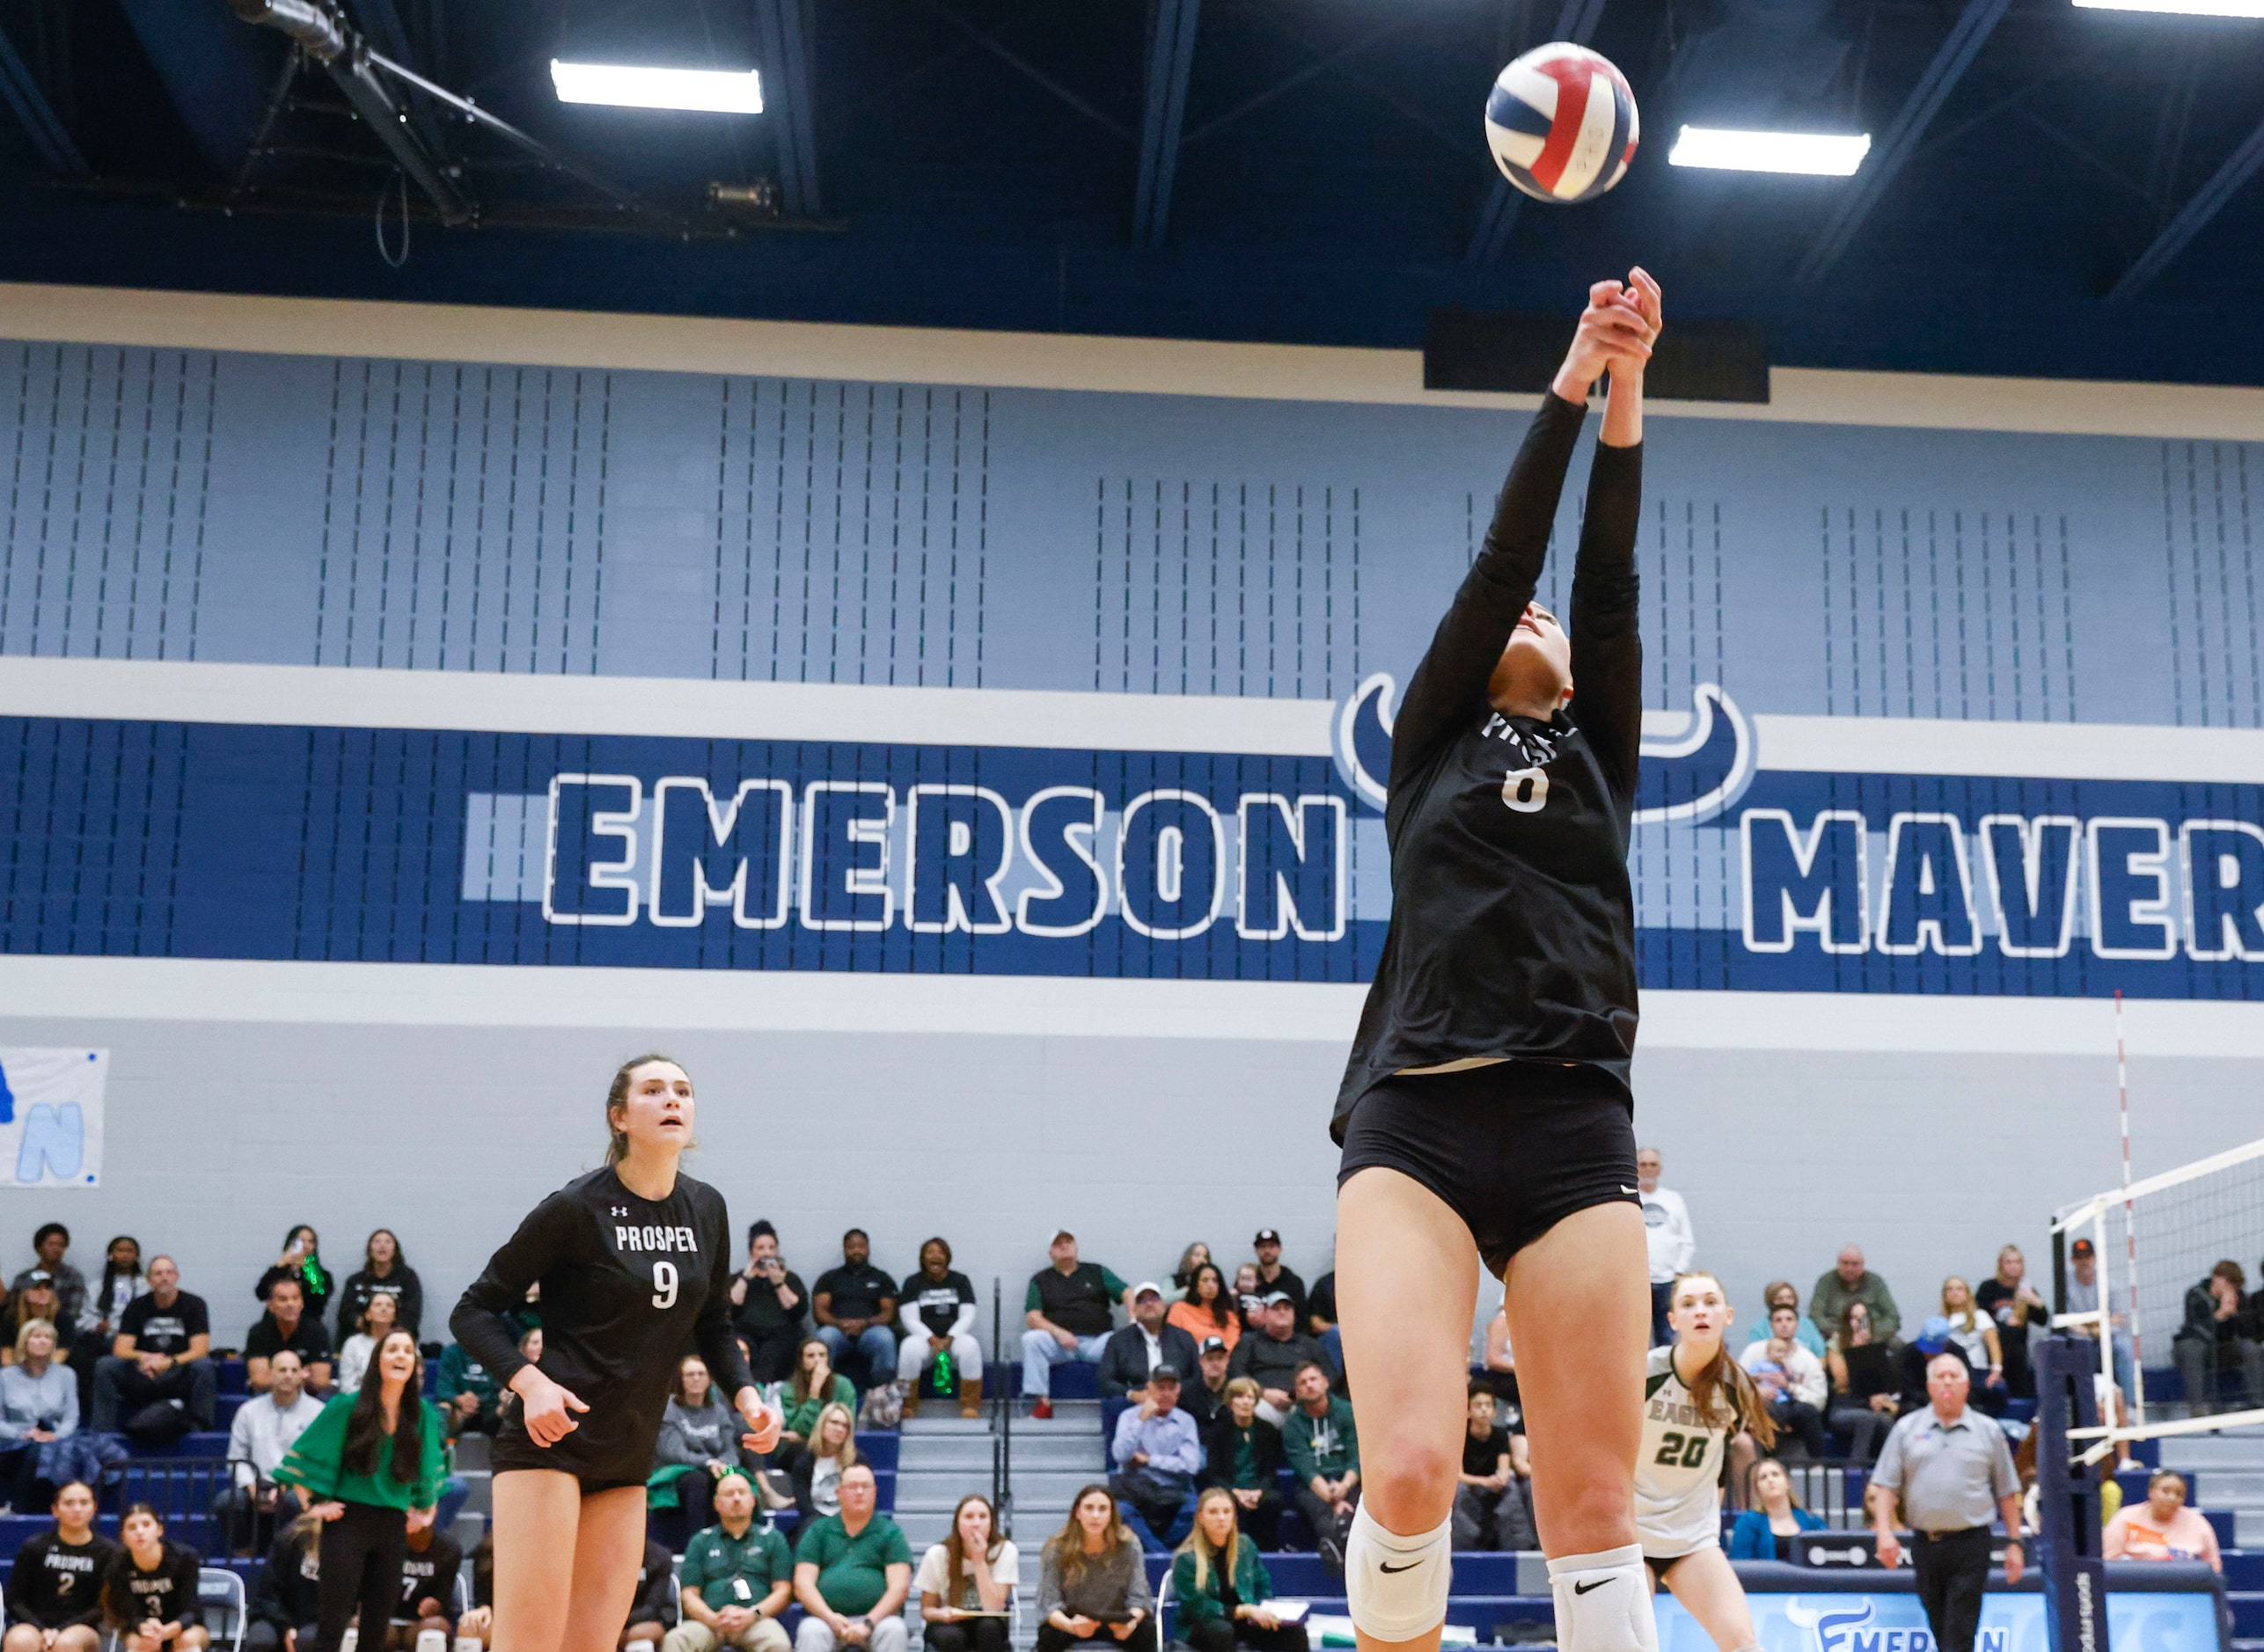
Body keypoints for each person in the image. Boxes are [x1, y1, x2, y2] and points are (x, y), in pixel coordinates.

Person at [1329, 272, 1662, 1652]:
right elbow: (1510, 561)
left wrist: (1634, 389)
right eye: (1513, 622)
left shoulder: (1603, 749)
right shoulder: (1428, 746)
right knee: (1407, 1471)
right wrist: (1573, 375)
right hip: (1421, 1114)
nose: (1535, 621)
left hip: (1577, 1118)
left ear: (1578, 675)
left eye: (1552, 630)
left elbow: (1604, 571)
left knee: (1592, 1502)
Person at [449, 1054, 780, 1652]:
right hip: (550, 1446)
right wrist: (531, 1383)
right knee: (529, 1644)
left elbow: (713, 1321)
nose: (672, 1099)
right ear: (619, 1117)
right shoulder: (575, 1208)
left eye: (682, 1090)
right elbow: (472, 1310)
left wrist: (749, 1398)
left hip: (627, 1456)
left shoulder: (706, 1208)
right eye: (653, 1090)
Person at [271, 1327, 447, 1652]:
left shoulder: (422, 1415)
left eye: (408, 1351)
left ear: (414, 1365)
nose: (400, 1356)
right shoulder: (347, 1405)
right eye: (392, 1349)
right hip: (348, 1523)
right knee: (333, 1623)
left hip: (393, 1527)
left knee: (376, 1629)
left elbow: (430, 1470)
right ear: (377, 1360)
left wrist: (426, 1509)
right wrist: (312, 1505)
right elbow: (305, 1454)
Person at [1632, 1274, 1775, 1652]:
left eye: (1710, 1302)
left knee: (1744, 1644)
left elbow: (1721, 1464)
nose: (1701, 1311)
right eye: (1689, 1304)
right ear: (1672, 1320)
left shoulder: (1736, 1387)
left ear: (1727, 1315)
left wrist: (1706, 1521)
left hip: (1691, 1540)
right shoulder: (1647, 1372)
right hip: (1630, 1536)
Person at [1869, 1353, 2025, 1652]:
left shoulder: (1988, 1431)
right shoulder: (1906, 1428)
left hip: (1971, 1543)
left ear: (1967, 1385)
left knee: (1958, 1632)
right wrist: (1885, 1534)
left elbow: (2007, 1490)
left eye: (1954, 1376)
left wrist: (2015, 1541)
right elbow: (1886, 1486)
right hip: (1925, 1544)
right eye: (1940, 1376)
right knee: (1941, 1628)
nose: (1948, 1382)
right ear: (1929, 1386)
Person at [665, 1468, 794, 1652]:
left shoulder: (773, 1539)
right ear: (717, 1503)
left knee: (778, 1644)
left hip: (756, 1620)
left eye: (742, 1493)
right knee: (675, 1640)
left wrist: (753, 1614)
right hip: (710, 1622)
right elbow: (689, 1594)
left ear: (753, 1500)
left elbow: (783, 1590)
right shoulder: (701, 1540)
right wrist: (713, 1619)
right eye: (729, 1494)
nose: (736, 1498)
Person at [791, 1461, 912, 1652]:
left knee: (895, 1629)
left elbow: (899, 1588)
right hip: (825, 1620)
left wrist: (868, 1623)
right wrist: (830, 1618)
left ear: (875, 1492)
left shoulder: (891, 1533)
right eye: (852, 1486)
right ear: (838, 1493)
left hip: (878, 1621)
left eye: (865, 1486)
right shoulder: (817, 1531)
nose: (859, 1492)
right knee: (810, 1632)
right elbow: (802, 1584)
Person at [1171, 1488, 1310, 1652]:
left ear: (1234, 1516)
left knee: (1295, 1632)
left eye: (1226, 1511)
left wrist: (1264, 1610)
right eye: (1213, 1512)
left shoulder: (1245, 1546)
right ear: (1201, 1517)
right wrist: (1242, 1611)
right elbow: (1198, 1607)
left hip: (1245, 1619)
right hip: (1203, 1624)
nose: (1221, 1518)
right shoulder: (1186, 1558)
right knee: (1223, 1631)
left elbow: (1262, 1584)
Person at [95, 1255, 216, 1442]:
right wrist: (146, 1358)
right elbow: (121, 1349)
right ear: (149, 1280)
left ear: (177, 1276)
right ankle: (103, 1433)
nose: (164, 1277)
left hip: (178, 1371)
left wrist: (169, 1362)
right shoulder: (136, 1306)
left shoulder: (194, 1304)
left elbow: (200, 1349)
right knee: (106, 1365)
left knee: (204, 1366)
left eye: (169, 1272)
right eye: (158, 1273)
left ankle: (199, 1431)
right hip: (144, 1372)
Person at [219, 1348, 322, 1553]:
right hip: (258, 1481)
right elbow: (236, 1458)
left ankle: (289, 1557)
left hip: (297, 1485)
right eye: (282, 1369)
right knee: (226, 1501)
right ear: (270, 1374)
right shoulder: (249, 1411)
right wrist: (251, 1488)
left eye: (294, 1370)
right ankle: (243, 1556)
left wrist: (289, 1485)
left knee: (294, 1501)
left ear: (303, 1374)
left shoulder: (318, 1411)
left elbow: (317, 1461)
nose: (288, 1375)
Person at [1022, 1232, 1132, 1420]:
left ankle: (1122, 1401)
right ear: (1051, 1253)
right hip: (1059, 1345)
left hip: (1097, 1341)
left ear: (1076, 1247)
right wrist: (1059, 1333)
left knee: (1124, 1340)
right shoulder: (1040, 1279)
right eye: (1058, 1244)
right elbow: (1033, 1317)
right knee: (1031, 1339)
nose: (1064, 1246)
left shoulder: (1097, 1272)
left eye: (1068, 1242)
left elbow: (1127, 1292)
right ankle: (1042, 1404)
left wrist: (1134, 1317)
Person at [1035, 1486, 1154, 1652]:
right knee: (1048, 1634)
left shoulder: (1129, 1546)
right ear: (1077, 1513)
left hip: (1116, 1623)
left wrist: (1131, 1623)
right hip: (1073, 1621)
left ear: (1111, 1514)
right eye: (1089, 1508)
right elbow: (1049, 1604)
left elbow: (1139, 1598)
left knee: (1147, 1629)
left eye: (1103, 1509)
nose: (1095, 1516)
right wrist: (1071, 1626)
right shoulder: (1057, 1548)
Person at [657, 1354, 760, 1540]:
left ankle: (753, 1537)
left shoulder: (719, 1410)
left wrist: (723, 1464)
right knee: (697, 1481)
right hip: (678, 1471)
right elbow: (674, 1452)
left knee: (738, 1480)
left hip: (716, 1467)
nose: (696, 1378)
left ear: (709, 1379)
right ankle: (698, 1541)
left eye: (701, 1374)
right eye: (690, 1375)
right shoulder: (669, 1409)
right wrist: (709, 1462)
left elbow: (730, 1449)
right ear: (680, 1379)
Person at [3, 1479, 113, 1652]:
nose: (77, 1509)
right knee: (19, 1640)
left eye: (84, 1503)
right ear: (55, 1510)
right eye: (69, 1503)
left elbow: (102, 1607)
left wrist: (60, 1630)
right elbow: (15, 1599)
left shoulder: (107, 1551)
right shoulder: (35, 1546)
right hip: (35, 1624)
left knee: (66, 1644)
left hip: (83, 1628)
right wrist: (42, 1629)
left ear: (94, 1508)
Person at [1109, 1363, 1201, 1550]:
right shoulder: (1129, 1417)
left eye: (1171, 1388)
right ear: (1148, 1388)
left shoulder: (1186, 1421)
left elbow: (1191, 1465)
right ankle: (1164, 1557)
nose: (1166, 1393)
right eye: (1160, 1388)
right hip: (1137, 1492)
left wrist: (1150, 1460)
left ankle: (1157, 1553)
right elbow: (1120, 1455)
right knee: (1120, 1512)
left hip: (1174, 1491)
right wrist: (1142, 1419)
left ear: (1178, 1391)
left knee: (1198, 1511)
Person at [915, 1494, 1018, 1652]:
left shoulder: (1006, 1550)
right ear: (958, 1523)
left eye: (983, 1517)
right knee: (951, 1637)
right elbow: (926, 1610)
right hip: (948, 1623)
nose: (976, 1523)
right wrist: (941, 1614)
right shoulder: (937, 1554)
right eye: (969, 1517)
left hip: (989, 1622)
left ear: (992, 1522)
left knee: (989, 1628)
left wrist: (979, 1561)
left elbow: (992, 1607)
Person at [99, 1503, 207, 1652]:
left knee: (187, 1640)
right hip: (144, 1629)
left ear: (159, 1530)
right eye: (132, 1527)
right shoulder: (117, 1566)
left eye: (146, 1524)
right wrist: (143, 1627)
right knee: (138, 1643)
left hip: (182, 1626)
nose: (139, 1532)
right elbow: (131, 1613)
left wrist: (167, 1631)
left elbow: (191, 1610)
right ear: (123, 1536)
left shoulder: (185, 1557)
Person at [1281, 1363, 1359, 1568]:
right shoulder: (1292, 1425)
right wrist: (1331, 1496)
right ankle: (1338, 1551)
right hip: (1314, 1486)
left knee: (1361, 1500)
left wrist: (1343, 1487)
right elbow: (1305, 1467)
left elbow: (1357, 1456)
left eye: (1313, 1379)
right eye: (1302, 1383)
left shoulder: (1347, 1412)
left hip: (1349, 1480)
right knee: (1320, 1508)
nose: (1309, 1385)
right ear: (1297, 1392)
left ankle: (1339, 1548)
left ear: (1325, 1382)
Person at [895, 1238, 982, 1419]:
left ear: (948, 1257)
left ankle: (970, 1405)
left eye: (940, 1252)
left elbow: (968, 1315)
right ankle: (908, 1405)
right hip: (925, 1341)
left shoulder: (960, 1281)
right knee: (908, 1348)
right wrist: (932, 1340)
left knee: (971, 1345)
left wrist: (949, 1339)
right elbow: (909, 1319)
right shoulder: (912, 1282)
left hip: (954, 1340)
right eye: (930, 1252)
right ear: (922, 1258)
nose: (935, 1256)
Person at [0, 1319, 77, 1514]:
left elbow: (71, 1417)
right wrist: (22, 1433)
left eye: (47, 1337)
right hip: (14, 1442)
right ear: (24, 1342)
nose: (42, 1341)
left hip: (55, 1439)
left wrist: (56, 1435)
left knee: (46, 1451)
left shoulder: (66, 1375)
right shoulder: (5, 1376)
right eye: (36, 1336)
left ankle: (39, 1509)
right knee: (34, 1450)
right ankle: (19, 1508)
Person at [1736, 1304, 1828, 1459]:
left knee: (1808, 1412)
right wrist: (1756, 1392)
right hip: (1763, 1405)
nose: (1784, 1324)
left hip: (1794, 1404)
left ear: (1797, 1325)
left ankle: (1816, 1464)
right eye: (1778, 1320)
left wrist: (1789, 1386)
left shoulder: (1808, 1359)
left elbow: (1820, 1400)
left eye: (1789, 1319)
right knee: (1772, 1411)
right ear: (1771, 1326)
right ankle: (1769, 1463)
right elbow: (1737, 1385)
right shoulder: (1754, 1351)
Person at [1202, 1378, 1285, 1550]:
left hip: (1257, 1489)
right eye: (1239, 1397)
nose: (1245, 1402)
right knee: (1225, 1502)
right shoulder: (1218, 1432)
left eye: (1249, 1397)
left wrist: (1258, 1491)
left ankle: (1267, 1551)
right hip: (1230, 1489)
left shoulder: (1267, 1431)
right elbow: (1214, 1473)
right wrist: (1236, 1492)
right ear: (1230, 1402)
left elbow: (1269, 1472)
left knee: (1273, 1501)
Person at [2172, 1261, 2262, 1414]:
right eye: (2227, 1282)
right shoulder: (2196, 1294)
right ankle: (2197, 1407)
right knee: (2192, 1348)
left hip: (2223, 1348)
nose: (2229, 1287)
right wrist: (2219, 1315)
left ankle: (2257, 1402)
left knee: (2250, 1348)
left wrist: (2235, 1315)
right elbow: (2196, 1329)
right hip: (2198, 1346)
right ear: (2216, 1278)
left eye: (2233, 1284)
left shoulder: (2238, 1296)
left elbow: (2248, 1333)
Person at [810, 1232, 897, 1394]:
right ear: (844, 1249)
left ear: (868, 1249)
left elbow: (889, 1314)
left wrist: (865, 1323)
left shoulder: (881, 1278)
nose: (857, 1250)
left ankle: (883, 1396)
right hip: (838, 1332)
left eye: (861, 1246)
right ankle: (821, 1392)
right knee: (824, 1337)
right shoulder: (830, 1278)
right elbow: (819, 1312)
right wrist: (840, 1323)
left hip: (870, 1331)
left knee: (885, 1338)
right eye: (851, 1246)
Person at [1452, 1385, 1534, 1552]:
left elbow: (1503, 1469)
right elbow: (1458, 1475)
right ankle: (1466, 1545)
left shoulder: (1500, 1435)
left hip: (1491, 1484)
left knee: (1510, 1487)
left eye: (1488, 1405)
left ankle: (1519, 1545)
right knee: (1458, 1491)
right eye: (1478, 1405)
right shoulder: (1459, 1434)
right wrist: (1484, 1481)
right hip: (1469, 1484)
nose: (1484, 1410)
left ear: (1494, 1411)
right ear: (1468, 1411)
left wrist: (1500, 1479)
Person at [1227, 1296, 1329, 1426]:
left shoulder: (1310, 1345)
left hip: (1302, 1403)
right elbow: (1236, 1372)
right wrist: (1262, 1392)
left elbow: (1329, 1375)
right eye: (1276, 1308)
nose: (1282, 1312)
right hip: (1261, 1403)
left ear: (1294, 1314)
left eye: (1287, 1308)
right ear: (1265, 1314)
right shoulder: (1249, 1342)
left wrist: (1300, 1394)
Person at [728, 1224, 810, 1385]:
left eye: (771, 1248)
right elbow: (729, 1307)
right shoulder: (738, 1278)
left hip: (779, 1335)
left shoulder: (790, 1278)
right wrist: (745, 1279)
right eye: (761, 1248)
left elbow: (798, 1311)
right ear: (752, 1253)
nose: (766, 1252)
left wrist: (779, 1283)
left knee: (771, 1353)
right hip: (745, 1333)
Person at [72, 1237, 145, 1416]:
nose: (125, 1255)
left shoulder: (146, 1285)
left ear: (136, 1256)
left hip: (136, 1340)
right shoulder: (96, 1286)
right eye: (120, 1250)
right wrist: (98, 1325)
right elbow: (83, 1318)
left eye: (130, 1251)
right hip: (103, 1339)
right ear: (110, 1255)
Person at [2102, 1469, 2222, 1570]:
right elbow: (2107, 1561)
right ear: (2151, 1492)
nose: (2172, 1497)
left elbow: (2214, 1567)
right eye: (2165, 1491)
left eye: (2179, 1494)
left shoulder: (2198, 1523)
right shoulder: (2125, 1517)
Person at [1098, 1285, 1199, 1403]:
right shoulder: (1118, 1340)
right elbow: (1105, 1380)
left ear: (1164, 1306)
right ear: (1134, 1310)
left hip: (1180, 1402)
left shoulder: (1184, 1337)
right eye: (1141, 1300)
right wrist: (1132, 1394)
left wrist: (1174, 1392)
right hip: (1136, 1405)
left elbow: (1198, 1376)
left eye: (1155, 1298)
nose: (1149, 1304)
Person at [1633, 1151, 1694, 1349]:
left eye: (1653, 1164)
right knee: (1635, 1341)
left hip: (1668, 1282)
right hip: (1636, 1282)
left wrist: (1678, 1272)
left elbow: (1686, 1240)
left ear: (1659, 1168)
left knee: (1666, 1339)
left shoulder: (1673, 1200)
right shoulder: (1629, 1199)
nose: (1648, 1169)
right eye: (1643, 1164)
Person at [1825, 1302, 1898, 1464]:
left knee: (1886, 1421)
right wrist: (1856, 1351)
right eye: (1854, 1318)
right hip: (1844, 1405)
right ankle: (1855, 1471)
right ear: (1847, 1321)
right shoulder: (1836, 1344)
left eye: (1863, 1318)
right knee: (1866, 1419)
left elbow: (1883, 1380)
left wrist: (1880, 1398)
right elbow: (1842, 1381)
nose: (1858, 1323)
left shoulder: (1876, 1345)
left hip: (1868, 1402)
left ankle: (1890, 1470)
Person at [2063, 1238, 2135, 1398]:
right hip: (2081, 1338)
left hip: (2107, 1336)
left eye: (2087, 1257)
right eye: (2079, 1257)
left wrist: (2089, 1325)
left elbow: (2121, 1320)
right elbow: (2066, 1321)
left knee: (2124, 1347)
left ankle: (2130, 1405)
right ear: (2072, 1260)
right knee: (2080, 1346)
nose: (2084, 1261)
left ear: (2094, 1258)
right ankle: (2086, 1408)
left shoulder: (2111, 1285)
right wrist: (2100, 1324)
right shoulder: (2065, 1286)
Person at [1973, 1247, 2045, 1401]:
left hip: (2018, 1355)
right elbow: (1977, 1318)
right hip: (1993, 1350)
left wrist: (2034, 1300)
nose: (2013, 1266)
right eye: (2009, 1262)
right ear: (2001, 1265)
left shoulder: (2026, 1290)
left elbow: (2043, 1320)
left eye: (2017, 1262)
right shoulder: (1988, 1288)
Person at [245, 1513, 322, 1652]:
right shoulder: (287, 1538)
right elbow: (267, 1592)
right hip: (273, 1616)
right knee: (260, 1641)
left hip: (317, 1619)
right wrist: (286, 1626)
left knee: (306, 1641)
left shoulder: (342, 1546)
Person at [246, 1276, 334, 1396]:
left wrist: (278, 1374)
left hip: (308, 1394)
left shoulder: (317, 1331)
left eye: (295, 1298)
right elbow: (260, 1381)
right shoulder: (258, 1332)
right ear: (270, 1305)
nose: (290, 1304)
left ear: (302, 1303)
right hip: (269, 1394)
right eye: (283, 1299)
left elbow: (321, 1381)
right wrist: (301, 1374)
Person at [1724, 1460, 1826, 1561]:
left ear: (1788, 1483)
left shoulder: (1811, 1521)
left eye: (1775, 1474)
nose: (1770, 1480)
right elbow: (1741, 1563)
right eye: (1763, 1477)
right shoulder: (1748, 1522)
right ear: (1757, 1490)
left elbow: (1829, 1554)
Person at [334, 1231, 423, 1343]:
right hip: (360, 1338)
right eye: (377, 1241)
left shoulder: (408, 1279)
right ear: (369, 1250)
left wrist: (386, 1329)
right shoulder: (355, 1280)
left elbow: (411, 1317)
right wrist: (370, 1328)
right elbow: (345, 1315)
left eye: (388, 1242)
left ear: (395, 1250)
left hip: (397, 1339)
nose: (382, 1245)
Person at [779, 1340, 858, 1466]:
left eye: (822, 1355)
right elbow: (798, 1428)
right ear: (801, 1361)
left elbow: (847, 1425)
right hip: (798, 1450)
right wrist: (814, 1392)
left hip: (836, 1444)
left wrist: (804, 1437)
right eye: (810, 1356)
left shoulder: (844, 1385)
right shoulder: (789, 1388)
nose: (817, 1360)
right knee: (802, 1451)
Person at [391, 1517, 465, 1648]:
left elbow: (444, 1597)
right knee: (359, 1624)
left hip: (421, 1623)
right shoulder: (386, 1543)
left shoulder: (449, 1549)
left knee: (435, 1627)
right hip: (385, 1619)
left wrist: (436, 1603)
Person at [1811, 1247, 1901, 1349]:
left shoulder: (1876, 1282)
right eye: (1845, 1263)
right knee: (1818, 1347)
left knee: (1900, 1348)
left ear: (1863, 1265)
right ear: (1838, 1263)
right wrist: (1844, 1334)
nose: (1849, 1269)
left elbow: (1893, 1317)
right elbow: (1816, 1316)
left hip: (1873, 1333)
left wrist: (1870, 1333)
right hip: (1836, 1333)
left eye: (1855, 1264)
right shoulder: (1826, 1282)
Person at [10, 1230, 85, 1346]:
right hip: (24, 1331)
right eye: (51, 1244)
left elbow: (74, 1311)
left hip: (61, 1330)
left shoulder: (73, 1277)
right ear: (39, 1247)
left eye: (61, 1245)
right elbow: (14, 1308)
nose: (56, 1248)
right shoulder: (23, 1278)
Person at [789, 1403, 860, 1524]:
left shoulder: (858, 1460)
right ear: (821, 1425)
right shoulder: (804, 1461)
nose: (839, 1429)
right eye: (834, 1422)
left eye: (845, 1426)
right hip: (815, 1524)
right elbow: (804, 1506)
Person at [258, 1227, 334, 1335]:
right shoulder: (279, 1272)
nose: (306, 1246)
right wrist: (279, 1266)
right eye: (301, 1241)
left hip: (308, 1329)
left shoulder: (322, 1276)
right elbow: (261, 1293)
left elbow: (320, 1300)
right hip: (275, 1327)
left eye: (311, 1242)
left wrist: (305, 1270)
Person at [438, 1334, 505, 1440]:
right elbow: (443, 1390)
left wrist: (478, 1401)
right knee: (444, 1407)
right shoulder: (451, 1353)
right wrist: (459, 1399)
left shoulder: (497, 1353)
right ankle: (440, 1451)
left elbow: (502, 1390)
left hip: (491, 1410)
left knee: (507, 1406)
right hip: (460, 1409)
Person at [619, 1538, 680, 1652]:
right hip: (613, 1622)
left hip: (653, 1619)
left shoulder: (660, 1556)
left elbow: (651, 1608)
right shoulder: (603, 1555)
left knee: (639, 1634)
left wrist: (617, 1629)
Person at [336, 1292, 401, 1397]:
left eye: (389, 1306)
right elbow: (346, 1386)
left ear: (395, 1316)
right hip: (358, 1403)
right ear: (367, 1314)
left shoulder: (404, 1343)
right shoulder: (353, 1344)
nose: (384, 1309)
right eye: (378, 1305)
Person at [1742, 1283, 1825, 1361]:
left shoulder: (1807, 1324)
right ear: (1771, 1301)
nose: (1785, 1302)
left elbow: (1821, 1355)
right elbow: (1756, 1356)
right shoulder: (1759, 1327)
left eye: (1790, 1298)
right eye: (1779, 1299)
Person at [1169, 1266, 1241, 1355]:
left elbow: (1231, 1345)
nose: (1211, 1285)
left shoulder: (1229, 1317)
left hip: (1219, 1363)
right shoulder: (1179, 1309)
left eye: (1215, 1281)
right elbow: (1172, 1341)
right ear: (1196, 1285)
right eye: (1205, 1280)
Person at [0, 1277, 67, 1368]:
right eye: (37, 1288)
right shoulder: (11, 1318)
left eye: (47, 1288)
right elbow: (7, 1357)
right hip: (17, 1372)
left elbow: (60, 1355)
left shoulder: (63, 1319)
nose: (43, 1292)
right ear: (25, 1293)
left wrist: (39, 1375)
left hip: (49, 1372)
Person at [1249, 1234, 1305, 1331]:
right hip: (1253, 1338)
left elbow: (1301, 1317)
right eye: (1263, 1247)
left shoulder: (1294, 1282)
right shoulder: (1248, 1280)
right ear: (1256, 1251)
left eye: (1271, 1246)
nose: (1267, 1251)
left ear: (1280, 1250)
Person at [1183, 1337, 1235, 1430]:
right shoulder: (1187, 1391)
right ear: (1200, 1361)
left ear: (1227, 1360)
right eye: (1210, 1359)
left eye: (1220, 1358)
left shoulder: (1236, 1390)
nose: (1215, 1363)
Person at [1230, 1268, 1264, 1339]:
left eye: (1249, 1279)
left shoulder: (1261, 1296)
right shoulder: (1237, 1295)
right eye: (1242, 1279)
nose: (1245, 1283)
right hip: (1240, 1328)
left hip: (1257, 1330)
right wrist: (1232, 1296)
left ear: (1257, 1282)